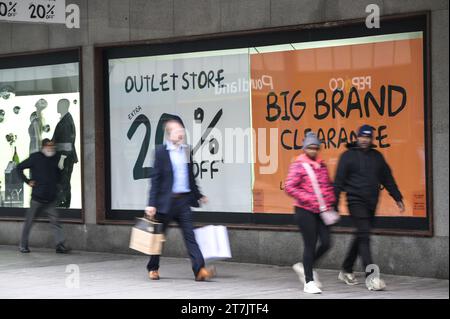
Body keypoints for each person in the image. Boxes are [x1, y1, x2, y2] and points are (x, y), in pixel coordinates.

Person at [334, 124, 404, 291]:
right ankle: (372, 278)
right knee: (364, 236)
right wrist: (333, 205)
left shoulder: (377, 157)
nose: (364, 140)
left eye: (367, 137)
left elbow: (387, 178)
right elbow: (338, 183)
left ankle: (346, 269)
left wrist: (397, 197)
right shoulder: (347, 156)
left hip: (371, 204)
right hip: (355, 202)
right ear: (357, 137)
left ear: (371, 139)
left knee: (361, 235)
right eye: (362, 137)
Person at [144, 119, 215, 281]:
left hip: (183, 201)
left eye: (182, 130)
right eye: (177, 131)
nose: (181, 133)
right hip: (166, 203)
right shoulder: (161, 152)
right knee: (159, 238)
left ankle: (199, 270)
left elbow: (191, 178)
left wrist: (198, 195)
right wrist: (151, 204)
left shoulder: (186, 151)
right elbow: (155, 180)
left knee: (190, 236)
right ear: (169, 135)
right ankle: (153, 268)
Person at [285, 132, 336, 294]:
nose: (313, 150)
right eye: (310, 147)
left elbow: (327, 186)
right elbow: (289, 187)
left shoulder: (322, 165)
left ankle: (305, 266)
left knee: (327, 242)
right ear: (305, 148)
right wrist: (308, 198)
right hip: (304, 210)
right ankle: (309, 282)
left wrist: (331, 203)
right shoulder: (298, 164)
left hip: (321, 211)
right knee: (310, 244)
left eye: (315, 147)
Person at [15, 139, 71, 254]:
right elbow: (19, 167)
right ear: (43, 147)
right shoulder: (35, 157)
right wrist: (27, 181)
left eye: (52, 146)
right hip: (37, 198)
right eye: (48, 146)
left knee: (55, 222)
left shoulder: (56, 158)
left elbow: (59, 174)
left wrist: (59, 186)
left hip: (50, 199)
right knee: (29, 222)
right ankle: (23, 245)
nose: (51, 148)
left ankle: (60, 245)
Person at [52, 98, 78, 208]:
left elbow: (68, 141)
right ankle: (63, 203)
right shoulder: (66, 119)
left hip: (65, 157)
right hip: (64, 156)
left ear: (65, 106)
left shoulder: (66, 122)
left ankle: (63, 203)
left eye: (60, 104)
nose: (58, 107)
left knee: (64, 181)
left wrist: (62, 158)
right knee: (64, 180)